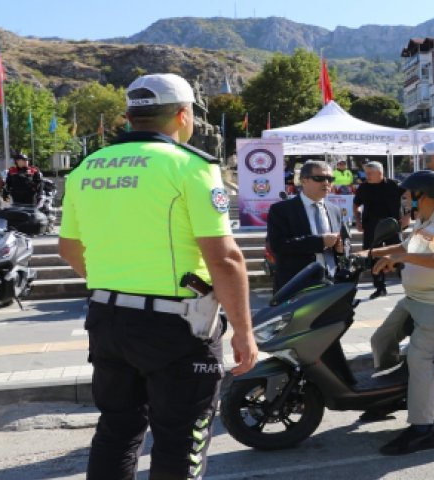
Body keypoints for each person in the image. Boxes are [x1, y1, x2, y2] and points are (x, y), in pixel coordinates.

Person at [57, 73, 258, 479]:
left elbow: (68, 249)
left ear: (130, 116)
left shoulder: (86, 168)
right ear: (184, 115)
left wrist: (116, 279)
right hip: (176, 326)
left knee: (116, 432)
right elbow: (226, 259)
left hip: (107, 319)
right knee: (181, 437)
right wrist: (244, 331)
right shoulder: (190, 166)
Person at [366, 169, 434, 455]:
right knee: (380, 340)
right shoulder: (425, 220)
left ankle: (423, 430)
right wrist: (369, 254)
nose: (404, 199)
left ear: (421, 195)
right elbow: (406, 247)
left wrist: (399, 257)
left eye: (407, 194)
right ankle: (389, 397)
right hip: (414, 298)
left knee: (419, 357)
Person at [266, 161, 349, 291]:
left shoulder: (335, 210)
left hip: (331, 282)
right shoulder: (281, 210)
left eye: (330, 179)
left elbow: (343, 245)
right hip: (296, 283)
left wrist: (340, 249)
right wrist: (320, 241)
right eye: (319, 178)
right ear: (303, 180)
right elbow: (278, 245)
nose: (326, 183)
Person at [353, 161, 407, 299]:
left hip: (392, 225)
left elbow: (413, 195)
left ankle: (408, 287)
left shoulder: (394, 185)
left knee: (398, 255)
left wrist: (409, 215)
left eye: (370, 173)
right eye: (366, 173)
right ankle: (380, 287)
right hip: (371, 226)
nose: (367, 176)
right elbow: (356, 204)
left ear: (380, 172)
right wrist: (358, 221)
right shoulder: (363, 187)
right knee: (373, 257)